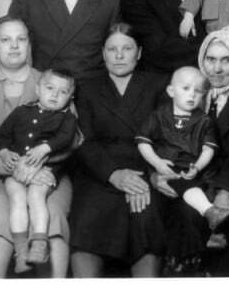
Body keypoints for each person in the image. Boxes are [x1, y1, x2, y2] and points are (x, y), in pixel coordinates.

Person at [151, 31, 229, 276]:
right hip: (188, 176)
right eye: (210, 59)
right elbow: (161, 140)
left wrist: (226, 192)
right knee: (182, 212)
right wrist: (157, 173)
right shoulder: (185, 87)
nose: (216, 68)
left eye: (226, 60)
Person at [70, 23, 168, 277]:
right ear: (103, 53)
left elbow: (168, 138)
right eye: (112, 49)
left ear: (139, 52)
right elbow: (83, 141)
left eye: (127, 48)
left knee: (145, 214)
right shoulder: (86, 87)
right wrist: (114, 175)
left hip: (143, 173)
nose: (120, 55)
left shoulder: (159, 85)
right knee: (88, 215)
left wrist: (148, 175)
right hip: (99, 173)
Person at [0, 16, 73, 278]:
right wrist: (20, 169)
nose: (14, 46)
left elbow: (71, 138)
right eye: (5, 39)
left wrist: (39, 167)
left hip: (50, 173)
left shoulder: (53, 82)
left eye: (21, 39)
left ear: (30, 43)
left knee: (51, 217)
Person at [0, 68, 78, 272]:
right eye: (50, 88)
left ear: (70, 96)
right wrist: (5, 152)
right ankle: (21, 251)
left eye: (62, 92)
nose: (55, 95)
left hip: (46, 171)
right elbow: (3, 135)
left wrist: (45, 147)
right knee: (17, 199)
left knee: (35, 197)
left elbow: (66, 138)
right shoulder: (21, 111)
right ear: (38, 89)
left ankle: (39, 245)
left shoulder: (67, 118)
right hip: (16, 170)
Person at [136, 66, 229, 230]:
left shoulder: (205, 121)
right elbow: (143, 142)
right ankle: (210, 213)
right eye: (186, 88)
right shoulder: (158, 115)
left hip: (191, 171)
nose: (192, 94)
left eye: (198, 91)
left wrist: (197, 167)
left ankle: (212, 220)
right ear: (171, 91)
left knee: (190, 188)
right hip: (163, 167)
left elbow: (208, 150)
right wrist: (157, 163)